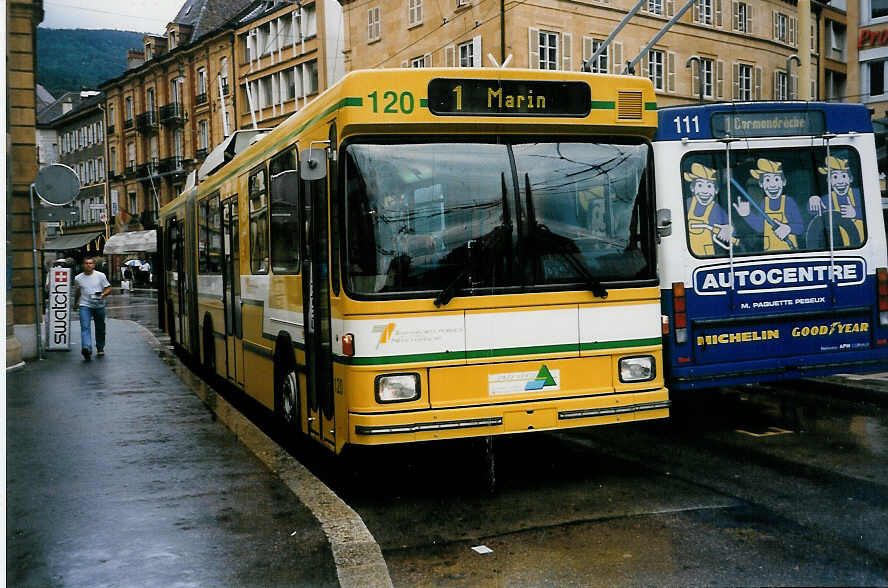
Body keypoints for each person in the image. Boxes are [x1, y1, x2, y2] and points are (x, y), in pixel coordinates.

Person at [733, 158, 804, 252]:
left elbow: (801, 228)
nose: (772, 185)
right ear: (761, 184)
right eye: (767, 180)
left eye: (776, 179)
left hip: (789, 252)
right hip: (769, 253)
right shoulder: (764, 202)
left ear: (783, 182)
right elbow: (761, 227)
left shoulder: (788, 202)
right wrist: (747, 215)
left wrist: (788, 228)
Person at [683, 162, 736, 256]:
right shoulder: (687, 204)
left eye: (709, 186)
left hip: (707, 256)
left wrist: (729, 230)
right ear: (692, 188)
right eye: (700, 185)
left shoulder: (716, 209)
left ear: (716, 190)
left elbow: (731, 228)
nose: (704, 191)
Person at [73, 256, 111, 361]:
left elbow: (108, 288)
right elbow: (78, 291)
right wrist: (75, 303)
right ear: (83, 265)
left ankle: (100, 347)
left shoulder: (100, 276)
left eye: (90, 263)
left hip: (99, 305)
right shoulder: (78, 278)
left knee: (100, 328)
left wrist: (103, 294)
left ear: (94, 265)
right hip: (85, 305)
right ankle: (87, 348)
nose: (88, 265)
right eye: (86, 263)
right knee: (85, 327)